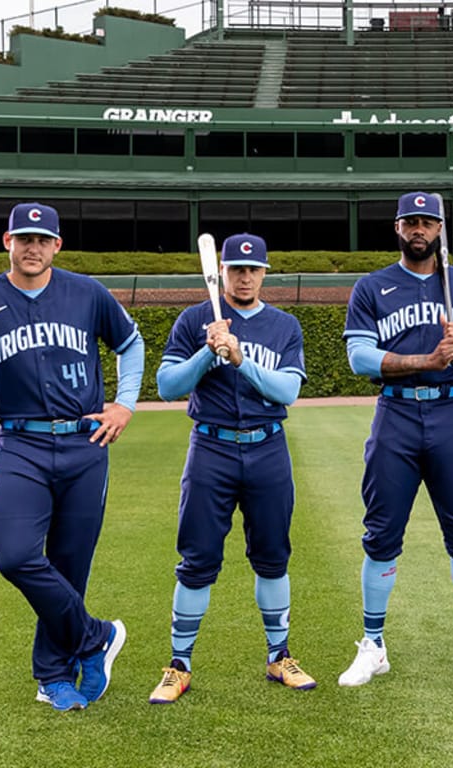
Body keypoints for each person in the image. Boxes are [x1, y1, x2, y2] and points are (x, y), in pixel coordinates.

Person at [0, 202, 142, 712]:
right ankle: (95, 636)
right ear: (7, 241)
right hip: (22, 446)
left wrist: (124, 404)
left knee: (70, 565)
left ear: (57, 245)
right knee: (16, 556)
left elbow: (131, 344)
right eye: (23, 238)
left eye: (43, 239)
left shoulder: (87, 292)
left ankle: (52, 674)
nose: (33, 247)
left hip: (85, 443)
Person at [337, 191, 453, 687]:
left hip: (450, 412)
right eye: (410, 221)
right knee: (382, 532)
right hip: (396, 413)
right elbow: (359, 358)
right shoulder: (372, 287)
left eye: (428, 222)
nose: (419, 230)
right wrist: (425, 360)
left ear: (439, 230)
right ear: (397, 228)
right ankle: (373, 644)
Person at [147, 233, 315, 703]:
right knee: (197, 558)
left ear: (264, 273)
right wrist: (207, 352)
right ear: (221, 272)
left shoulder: (284, 325)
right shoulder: (194, 319)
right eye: (236, 269)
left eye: (253, 269)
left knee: (272, 555)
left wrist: (239, 360)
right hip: (211, 449)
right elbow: (166, 386)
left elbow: (287, 392)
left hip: (267, 448)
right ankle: (179, 665)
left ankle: (279, 655)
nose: (244, 277)